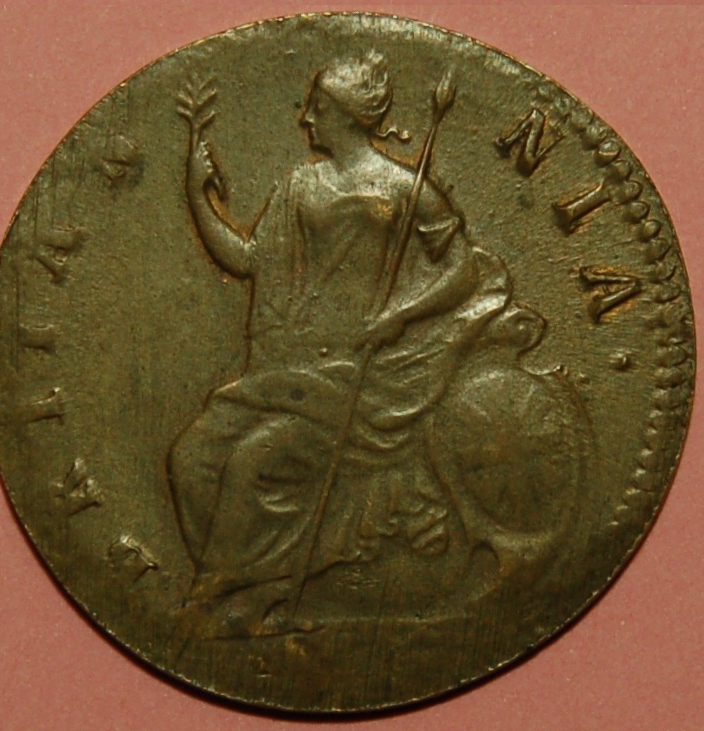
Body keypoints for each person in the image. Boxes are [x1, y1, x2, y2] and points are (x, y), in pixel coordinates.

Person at [168, 52, 582, 635]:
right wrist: (197, 194)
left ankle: (225, 599)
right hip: (286, 370)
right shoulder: (297, 185)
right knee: (189, 459)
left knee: (253, 464)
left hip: (362, 377)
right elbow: (246, 260)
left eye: (317, 106)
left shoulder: (405, 189)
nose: (306, 118)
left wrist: (402, 315)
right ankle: (247, 592)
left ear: (344, 114)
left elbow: (462, 269)